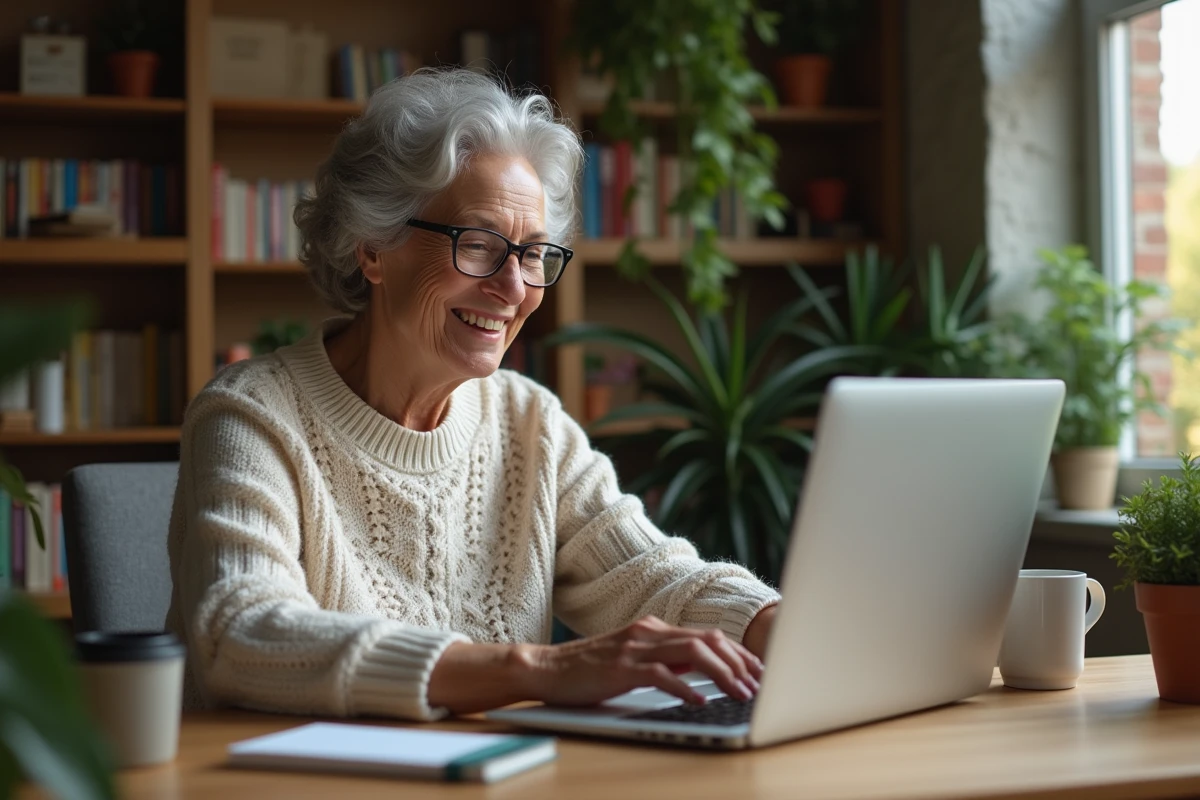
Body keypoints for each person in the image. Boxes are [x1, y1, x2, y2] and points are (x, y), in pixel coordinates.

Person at [166, 68, 780, 722]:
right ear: (373, 248)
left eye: (534, 254)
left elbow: (653, 579)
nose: (515, 289)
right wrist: (539, 668)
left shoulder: (529, 424)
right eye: (480, 246)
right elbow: (238, 633)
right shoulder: (253, 416)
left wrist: (780, 625)